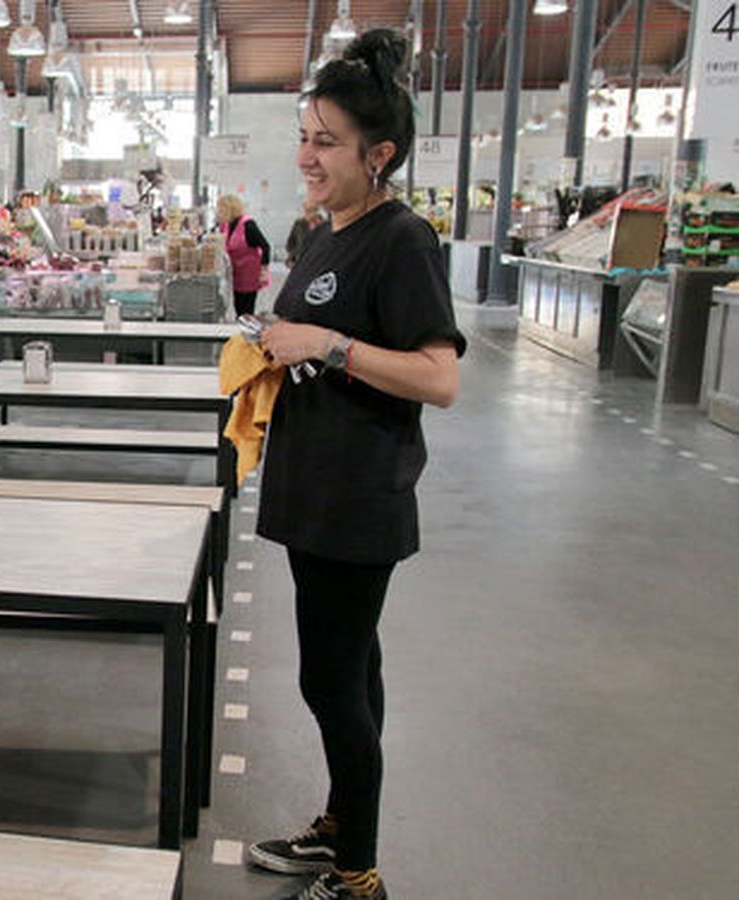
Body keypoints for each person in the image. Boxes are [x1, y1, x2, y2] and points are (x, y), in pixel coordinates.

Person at [246, 29, 465, 900]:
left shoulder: (401, 240)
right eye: (304, 135)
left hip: (357, 502)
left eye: (326, 142)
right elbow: (315, 341)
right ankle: (341, 824)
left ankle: (359, 873)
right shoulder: (325, 231)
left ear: (380, 155)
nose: (307, 155)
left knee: (330, 681)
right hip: (313, 490)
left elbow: (439, 379)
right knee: (351, 673)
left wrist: (326, 345)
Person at [218, 193, 272, 318]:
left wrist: (264, 269)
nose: (218, 212)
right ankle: (240, 333)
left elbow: (265, 246)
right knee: (238, 308)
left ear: (229, 209)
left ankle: (247, 335)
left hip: (250, 274)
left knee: (246, 310)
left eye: (221, 209)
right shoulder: (226, 225)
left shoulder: (248, 225)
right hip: (236, 274)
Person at [284, 199, 326, 267]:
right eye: (307, 211)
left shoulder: (324, 224)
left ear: (317, 210)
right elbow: (290, 244)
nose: (309, 214)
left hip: (319, 263)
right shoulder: (299, 224)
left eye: (312, 210)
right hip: (301, 262)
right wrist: (293, 256)